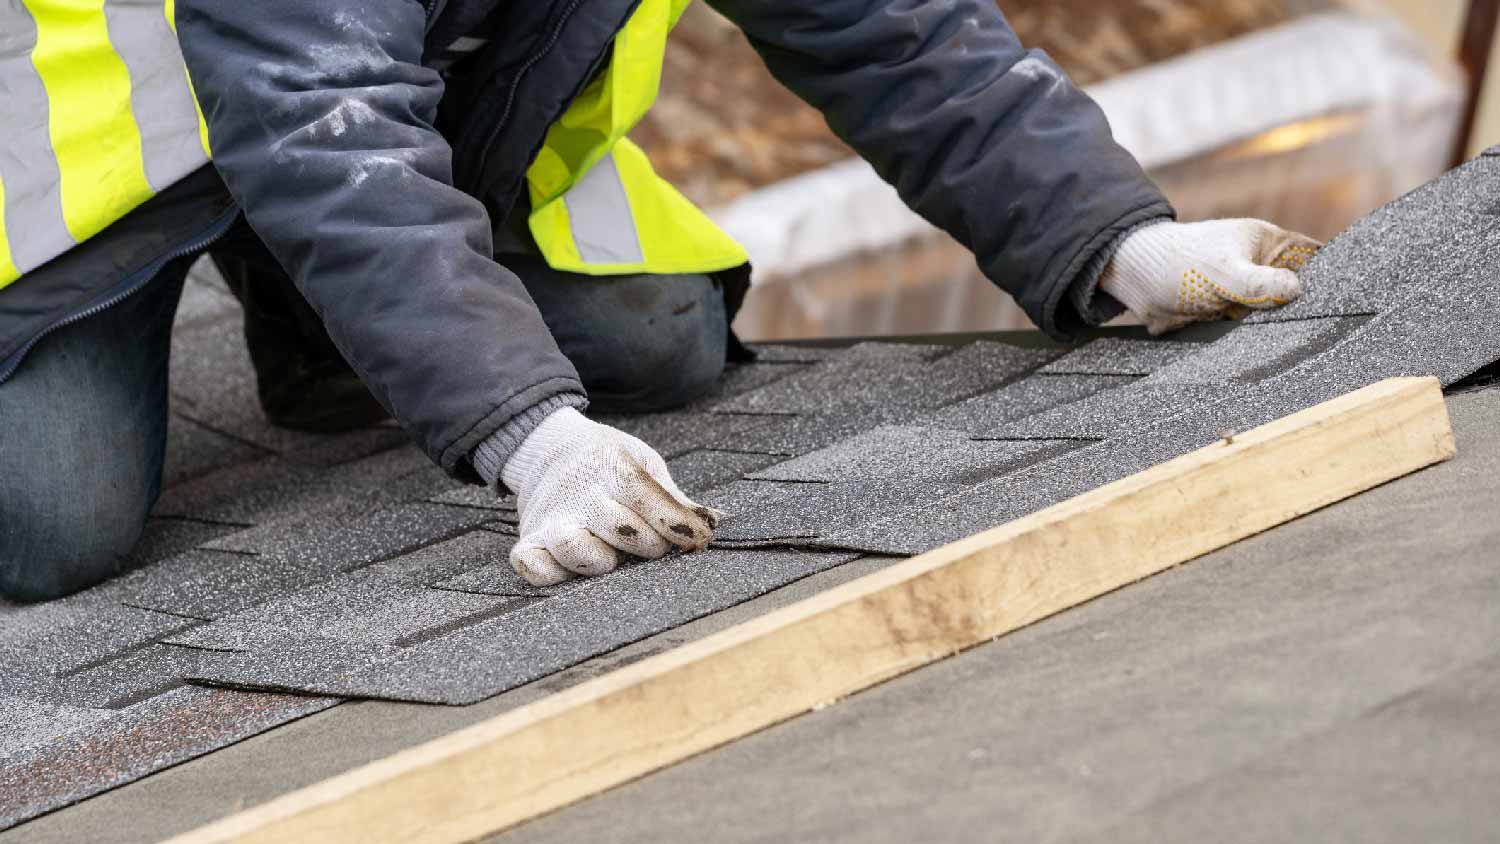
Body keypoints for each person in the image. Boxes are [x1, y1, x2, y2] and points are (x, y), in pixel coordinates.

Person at [0, 0, 1318, 602]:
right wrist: (532, 440)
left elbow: (888, 28)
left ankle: (309, 308)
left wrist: (1108, 239)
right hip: (96, 178)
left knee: (654, 340)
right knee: (49, 519)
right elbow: (318, 123)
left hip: (346, 121)